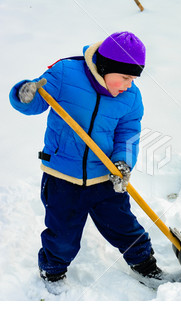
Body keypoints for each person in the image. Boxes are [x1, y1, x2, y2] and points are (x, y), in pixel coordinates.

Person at [9, 31, 162, 287]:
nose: (128, 84)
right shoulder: (65, 73)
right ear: (105, 67)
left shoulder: (131, 97)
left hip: (105, 175)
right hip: (62, 175)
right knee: (63, 233)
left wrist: (123, 161)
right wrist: (25, 95)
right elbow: (36, 101)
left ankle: (145, 265)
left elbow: (128, 132)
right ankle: (53, 272)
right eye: (124, 77)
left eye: (133, 78)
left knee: (124, 225)